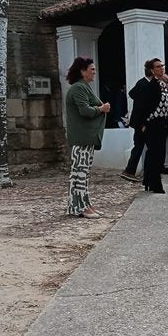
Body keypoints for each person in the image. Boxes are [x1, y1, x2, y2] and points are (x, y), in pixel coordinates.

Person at [64, 57, 111, 218]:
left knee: (81, 173)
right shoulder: (78, 88)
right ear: (82, 71)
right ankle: (80, 207)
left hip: (85, 138)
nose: (94, 72)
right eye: (91, 69)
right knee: (79, 174)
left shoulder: (83, 87)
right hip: (82, 138)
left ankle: (81, 204)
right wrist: (102, 108)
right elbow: (85, 111)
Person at [139, 59, 168, 194]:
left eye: (162, 66)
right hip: (153, 123)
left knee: (158, 154)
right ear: (152, 70)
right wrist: (144, 123)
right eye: (158, 67)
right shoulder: (150, 85)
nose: (161, 68)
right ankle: (155, 184)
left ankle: (149, 180)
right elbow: (144, 106)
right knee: (155, 154)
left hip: (162, 122)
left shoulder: (162, 84)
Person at [121, 60, 156, 181]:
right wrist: (143, 123)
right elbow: (141, 106)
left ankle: (131, 170)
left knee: (140, 147)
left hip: (142, 122)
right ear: (152, 70)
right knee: (143, 147)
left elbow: (132, 94)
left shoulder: (145, 83)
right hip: (142, 123)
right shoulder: (143, 85)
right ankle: (136, 171)